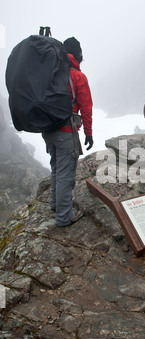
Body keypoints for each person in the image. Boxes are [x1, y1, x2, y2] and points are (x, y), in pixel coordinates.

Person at [42, 37, 93, 227]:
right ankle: (64, 216)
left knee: (56, 166)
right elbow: (86, 108)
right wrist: (88, 133)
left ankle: (55, 204)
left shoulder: (51, 72)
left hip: (48, 129)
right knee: (66, 172)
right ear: (78, 55)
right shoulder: (78, 77)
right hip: (66, 131)